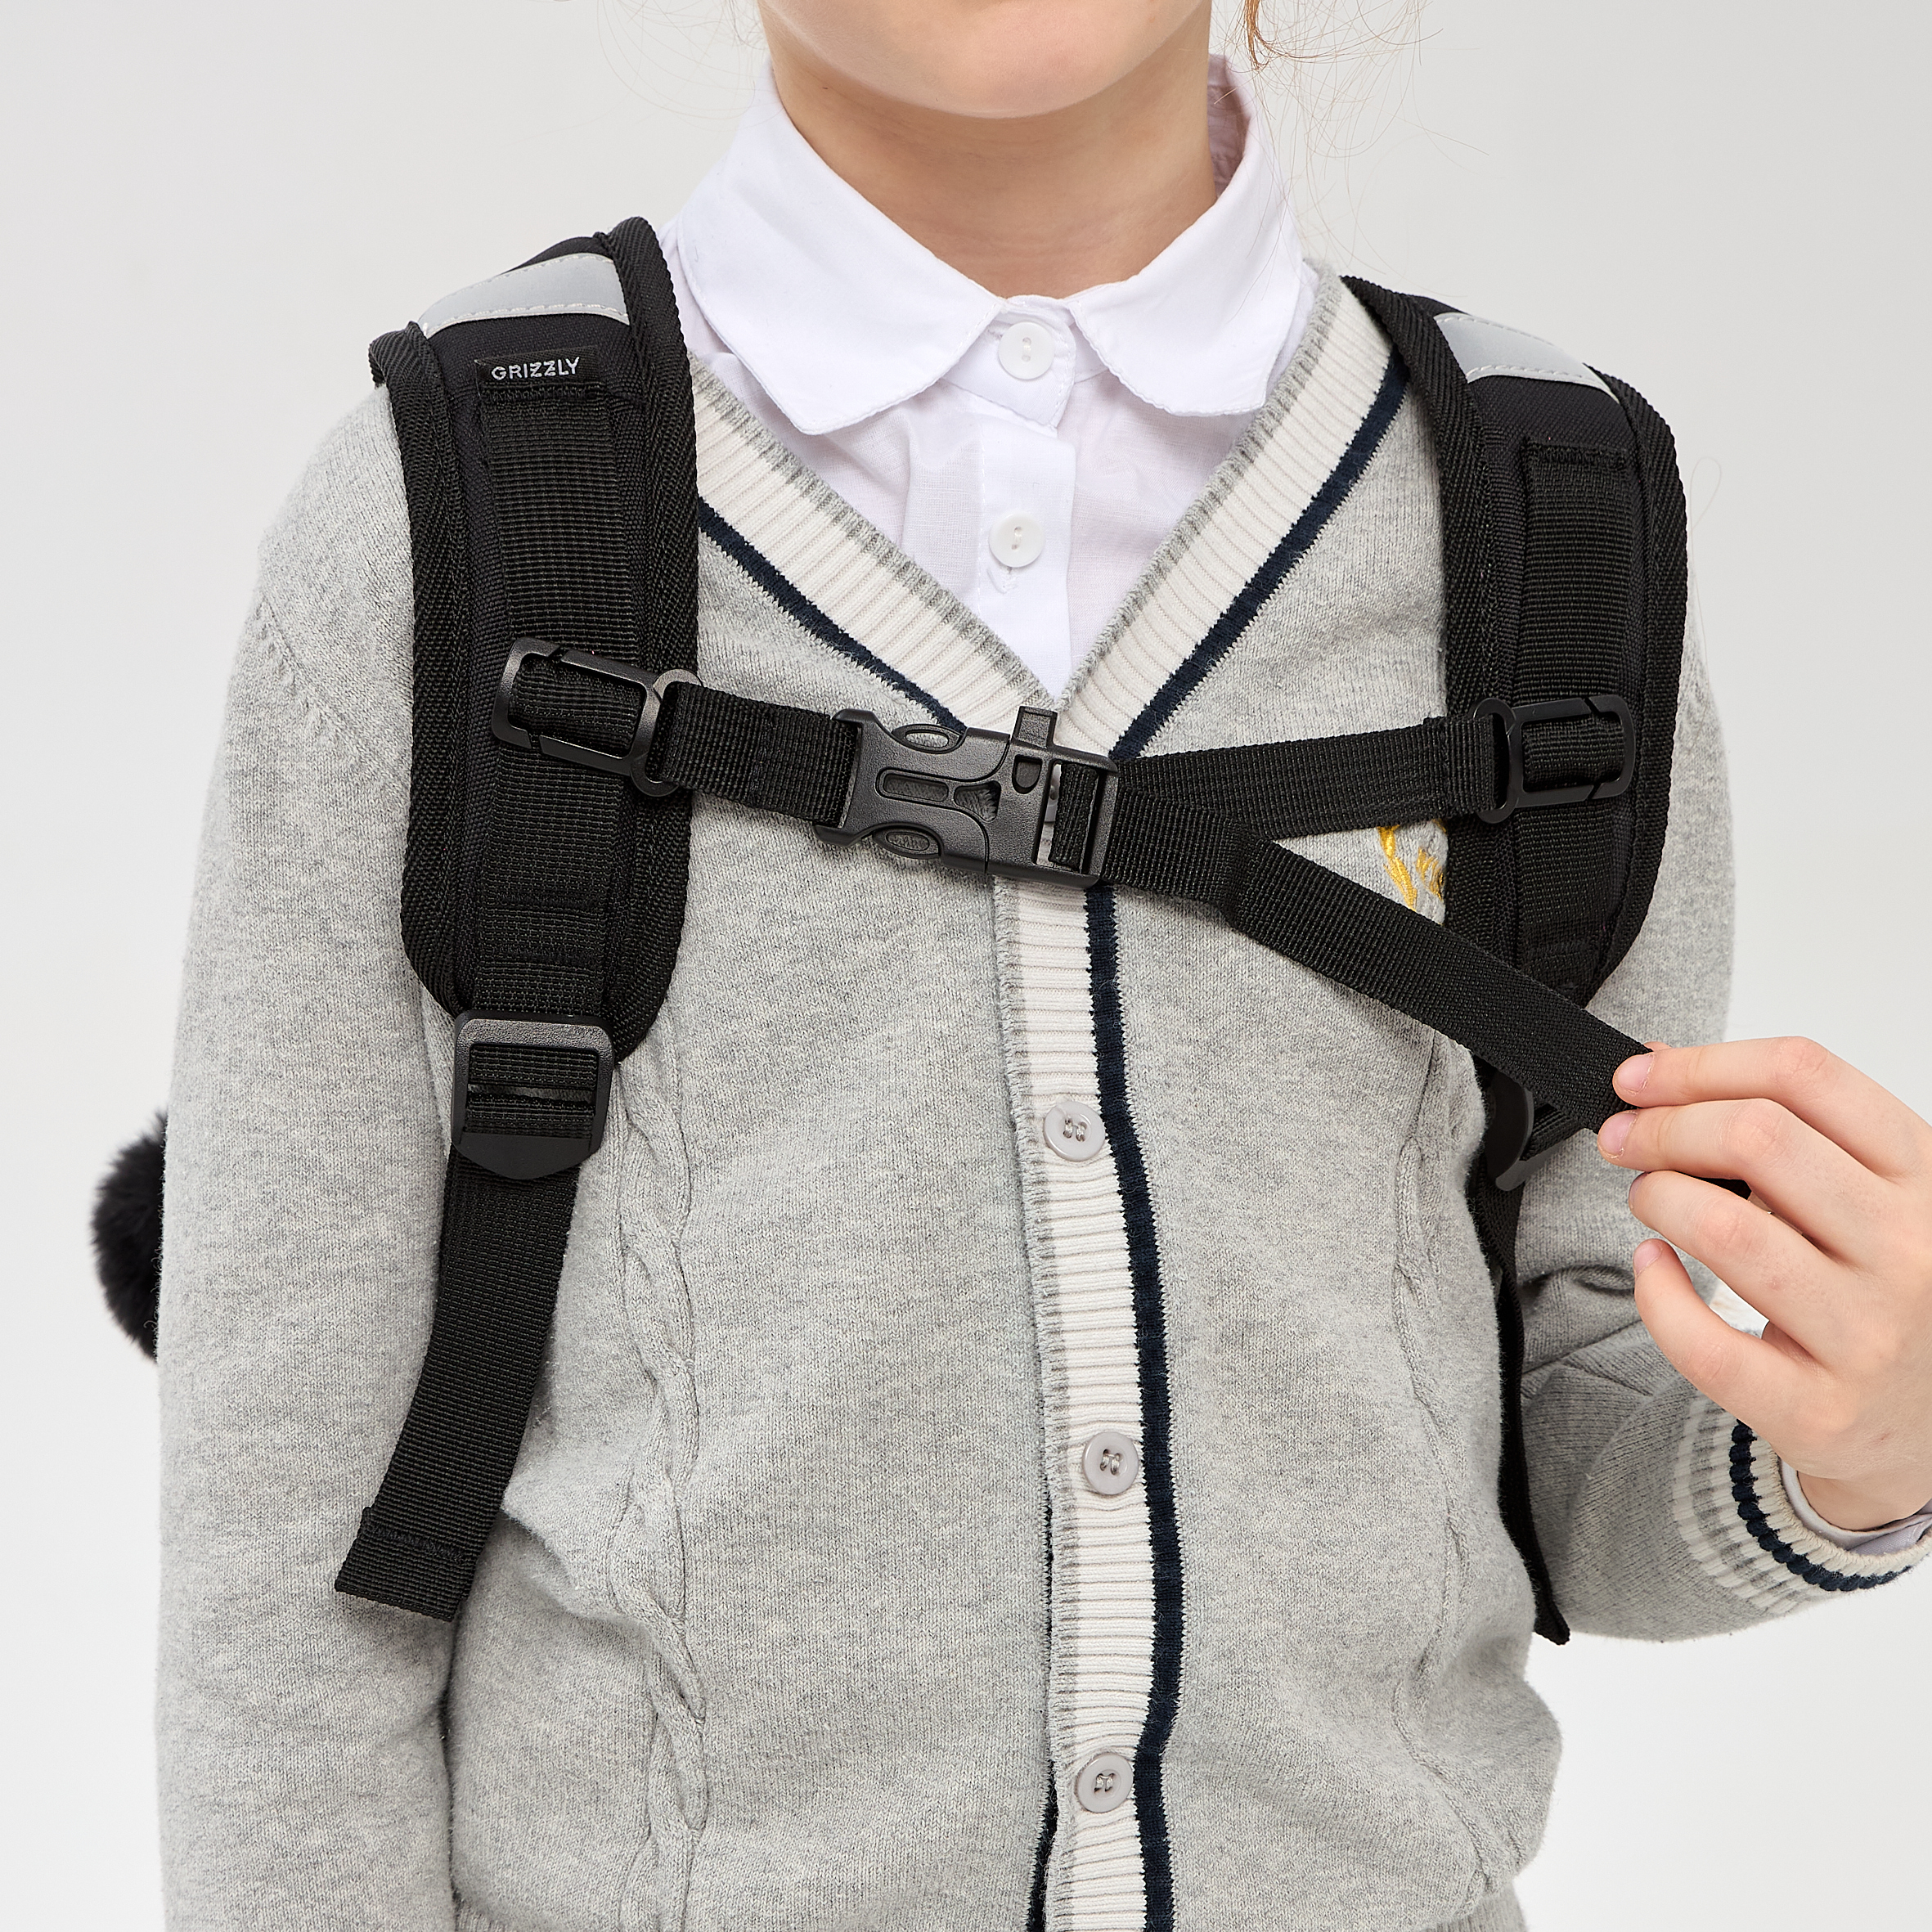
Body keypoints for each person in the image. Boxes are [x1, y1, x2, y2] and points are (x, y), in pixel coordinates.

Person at [155, 2, 1932, 1928]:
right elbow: (288, 1555)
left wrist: (1860, 1446)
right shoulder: (458, 505)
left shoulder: (1545, 524)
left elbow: (1546, 1436)